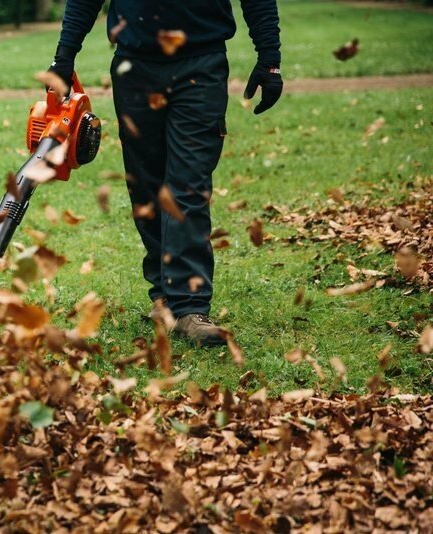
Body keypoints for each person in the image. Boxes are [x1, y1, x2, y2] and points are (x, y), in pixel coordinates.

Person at [47, 0, 282, 346]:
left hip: (200, 64)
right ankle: (164, 296)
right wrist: (64, 56)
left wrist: (270, 58)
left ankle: (190, 307)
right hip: (134, 67)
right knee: (146, 186)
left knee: (187, 186)